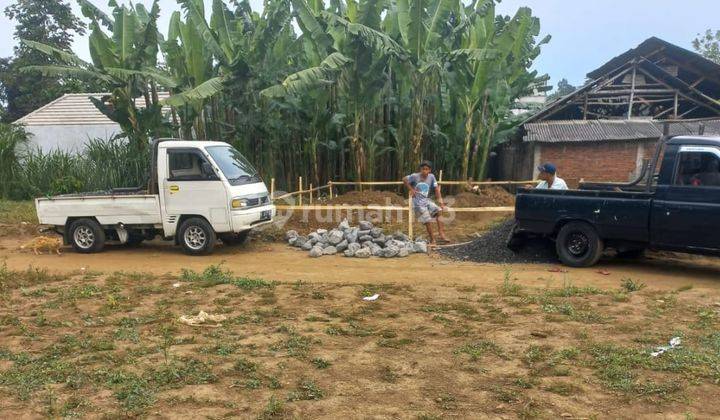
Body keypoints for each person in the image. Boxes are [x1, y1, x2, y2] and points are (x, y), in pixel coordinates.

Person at [404, 161, 450, 246]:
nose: (424, 171)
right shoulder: (415, 176)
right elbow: (404, 179)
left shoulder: (432, 177)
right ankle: (432, 240)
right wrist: (411, 189)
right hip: (417, 203)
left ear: (429, 170)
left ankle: (441, 233)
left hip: (426, 200)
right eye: (423, 169)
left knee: (439, 210)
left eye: (426, 169)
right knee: (427, 220)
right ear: (420, 169)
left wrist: (441, 203)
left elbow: (436, 190)